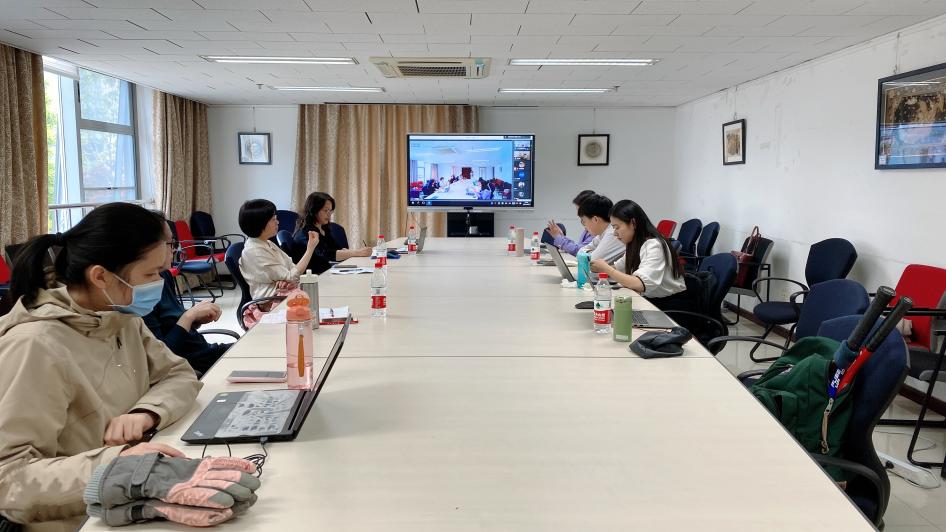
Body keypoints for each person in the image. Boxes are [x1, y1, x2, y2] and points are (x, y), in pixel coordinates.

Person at [0, 203, 201, 531]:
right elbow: (9, 480)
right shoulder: (34, 346)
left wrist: (146, 412)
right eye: (151, 274)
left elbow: (178, 374)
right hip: (80, 518)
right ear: (101, 276)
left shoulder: (119, 316)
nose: (159, 283)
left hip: (131, 495)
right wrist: (114, 466)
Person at [143, 222, 229, 377]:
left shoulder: (164, 275)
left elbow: (171, 323)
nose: (175, 249)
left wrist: (195, 319)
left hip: (206, 352)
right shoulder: (141, 294)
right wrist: (189, 316)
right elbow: (163, 357)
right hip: (192, 367)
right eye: (171, 243)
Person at [591, 199, 687, 310]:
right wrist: (599, 268)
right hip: (652, 300)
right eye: (613, 228)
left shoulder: (654, 245)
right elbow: (618, 267)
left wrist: (606, 269)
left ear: (633, 223)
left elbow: (640, 284)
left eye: (617, 227)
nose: (615, 233)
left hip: (671, 306)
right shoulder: (635, 243)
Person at [239, 199, 318, 300]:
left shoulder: (267, 243)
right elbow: (292, 276)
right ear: (260, 223)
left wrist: (286, 280)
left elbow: (292, 269)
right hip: (271, 301)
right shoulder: (254, 251)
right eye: (273, 219)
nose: (277, 222)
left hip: (284, 293)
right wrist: (310, 249)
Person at [293, 192, 372, 273]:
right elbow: (326, 254)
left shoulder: (323, 228)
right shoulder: (307, 232)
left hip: (326, 270)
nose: (329, 214)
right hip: (312, 275)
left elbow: (336, 249)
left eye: (330, 211)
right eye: (325, 210)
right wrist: (357, 253)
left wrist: (356, 252)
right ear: (314, 210)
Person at [576, 194, 625, 263]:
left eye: (584, 221)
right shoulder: (602, 233)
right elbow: (579, 253)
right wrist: (592, 253)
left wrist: (590, 253)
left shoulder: (613, 233)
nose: (584, 226)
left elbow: (591, 262)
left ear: (595, 219)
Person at [546, 189, 596, 256]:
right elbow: (579, 248)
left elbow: (578, 251)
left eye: (579, 210)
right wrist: (562, 237)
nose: (577, 214)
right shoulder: (589, 227)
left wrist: (559, 238)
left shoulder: (596, 230)